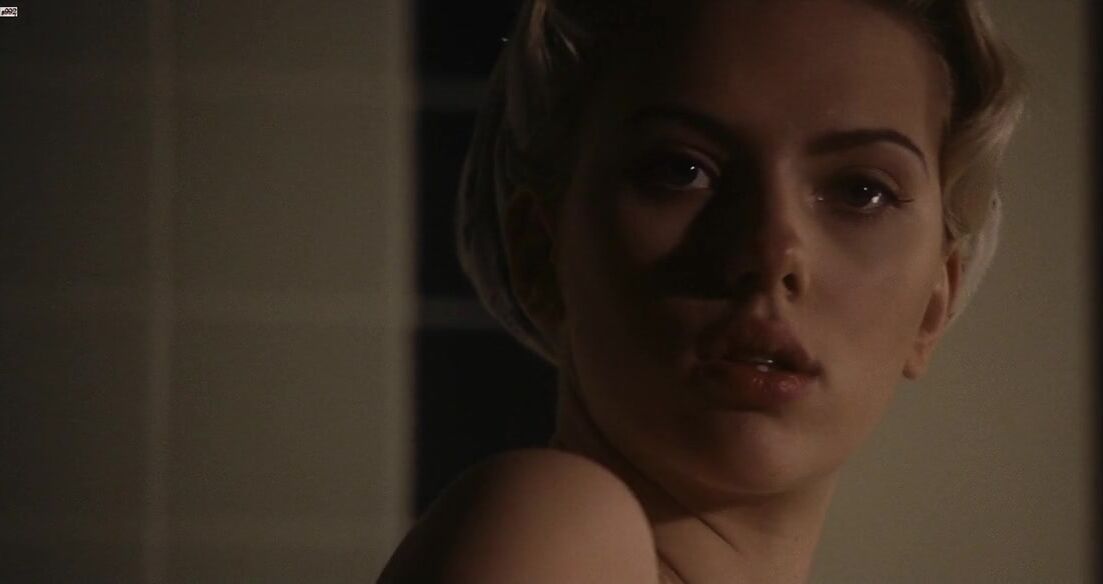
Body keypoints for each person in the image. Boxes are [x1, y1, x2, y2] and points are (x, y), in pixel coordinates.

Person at [380, 0, 1024, 582]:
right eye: (681, 169)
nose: (771, 251)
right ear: (539, 255)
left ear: (933, 307)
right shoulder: (556, 522)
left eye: (862, 191)